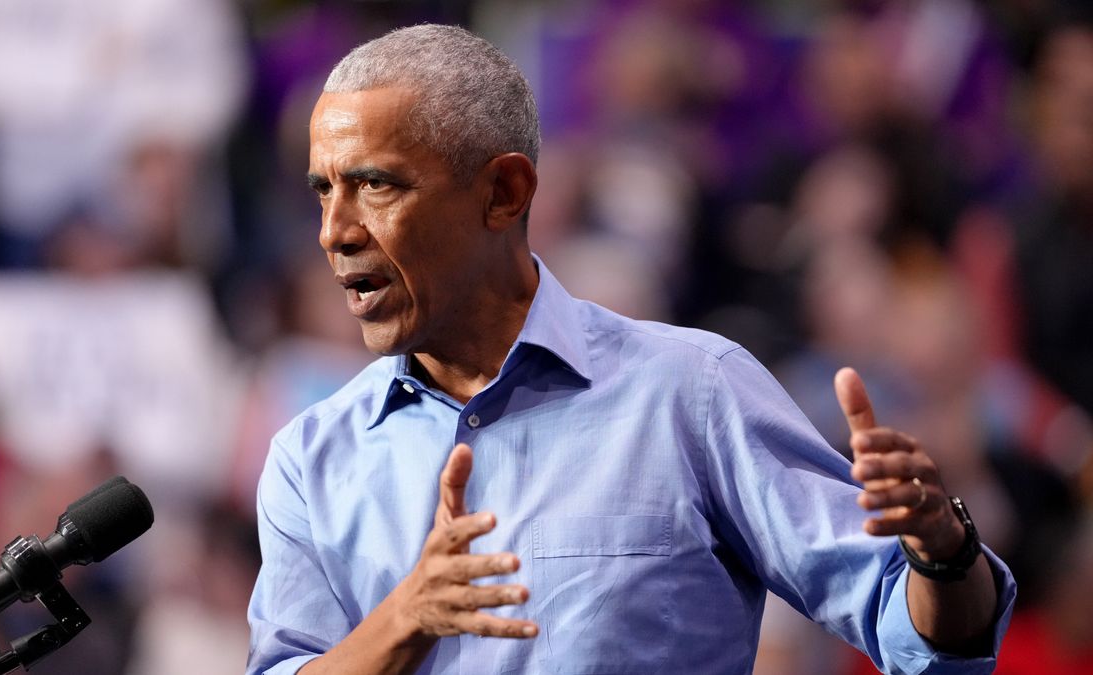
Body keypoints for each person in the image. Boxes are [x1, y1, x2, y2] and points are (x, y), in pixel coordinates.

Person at [246, 24, 1015, 675]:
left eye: (375, 186)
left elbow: (925, 638)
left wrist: (943, 549)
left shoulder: (693, 393)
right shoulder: (310, 460)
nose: (333, 231)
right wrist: (404, 618)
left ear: (504, 194)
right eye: (323, 190)